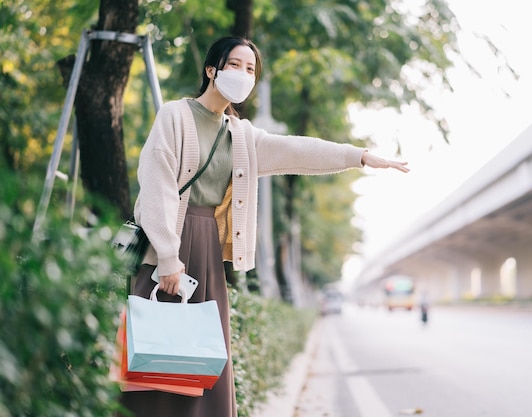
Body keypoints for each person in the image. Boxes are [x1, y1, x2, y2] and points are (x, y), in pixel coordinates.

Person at [120, 35, 409, 417]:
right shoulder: (176, 116)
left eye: (251, 68)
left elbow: (296, 150)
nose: (243, 74)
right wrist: (169, 258)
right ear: (212, 70)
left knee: (204, 352)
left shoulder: (239, 135)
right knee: (157, 347)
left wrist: (359, 156)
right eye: (235, 65)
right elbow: (156, 184)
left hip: (206, 249)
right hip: (168, 245)